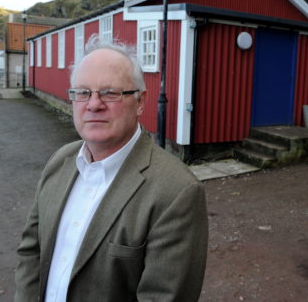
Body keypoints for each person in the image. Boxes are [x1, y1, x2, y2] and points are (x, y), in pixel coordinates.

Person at [14, 36, 208, 302]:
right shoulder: (59, 162)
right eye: (83, 92)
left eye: (110, 92)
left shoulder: (176, 192)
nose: (94, 104)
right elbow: (31, 252)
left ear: (140, 101)